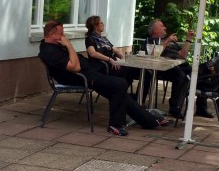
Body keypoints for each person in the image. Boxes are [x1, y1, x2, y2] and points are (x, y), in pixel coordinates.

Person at [39, 20, 171, 136]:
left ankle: (149, 121)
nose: (64, 37)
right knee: (119, 84)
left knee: (119, 90)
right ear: (52, 34)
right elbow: (75, 67)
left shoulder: (55, 46)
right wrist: (69, 45)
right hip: (79, 77)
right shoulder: (49, 52)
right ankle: (115, 124)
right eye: (61, 34)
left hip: (89, 73)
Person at [144, 19, 210, 118]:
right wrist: (167, 41)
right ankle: (175, 108)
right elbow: (153, 55)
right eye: (162, 26)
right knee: (181, 75)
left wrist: (188, 39)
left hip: (179, 65)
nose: (165, 28)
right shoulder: (151, 41)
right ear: (155, 30)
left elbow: (183, 56)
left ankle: (201, 108)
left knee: (199, 73)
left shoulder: (172, 43)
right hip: (163, 68)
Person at [84, 15, 137, 85]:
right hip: (103, 66)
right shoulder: (90, 39)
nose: (103, 25)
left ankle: (127, 90)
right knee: (129, 71)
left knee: (133, 70)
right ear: (95, 26)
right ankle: (122, 89)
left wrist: (122, 58)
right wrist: (109, 59)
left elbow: (116, 50)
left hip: (114, 63)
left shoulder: (104, 39)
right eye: (101, 23)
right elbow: (92, 53)